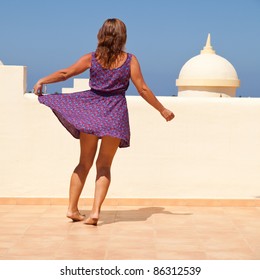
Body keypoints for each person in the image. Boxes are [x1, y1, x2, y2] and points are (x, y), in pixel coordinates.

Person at [33, 18, 174, 226]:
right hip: (115, 113)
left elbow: (65, 74)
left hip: (91, 111)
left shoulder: (92, 58)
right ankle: (95, 212)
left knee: (84, 163)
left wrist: (42, 80)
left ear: (101, 34)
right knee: (104, 165)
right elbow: (142, 88)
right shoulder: (130, 60)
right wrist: (162, 109)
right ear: (123, 36)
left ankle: (72, 209)